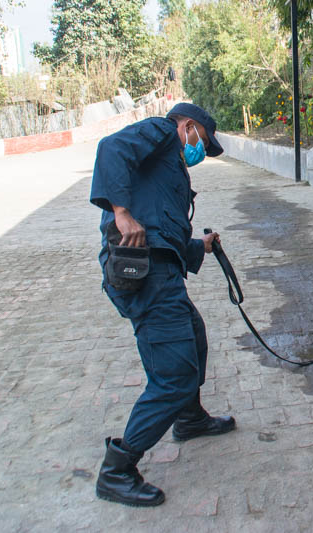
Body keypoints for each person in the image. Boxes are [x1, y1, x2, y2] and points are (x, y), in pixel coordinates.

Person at [89, 102, 236, 507]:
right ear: (187, 126)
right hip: (147, 274)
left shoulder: (167, 164)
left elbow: (162, 229)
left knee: (194, 334)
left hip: (162, 270)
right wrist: (120, 212)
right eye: (201, 142)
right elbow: (110, 148)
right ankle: (117, 470)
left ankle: (189, 418)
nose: (199, 152)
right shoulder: (160, 131)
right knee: (173, 376)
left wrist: (199, 247)